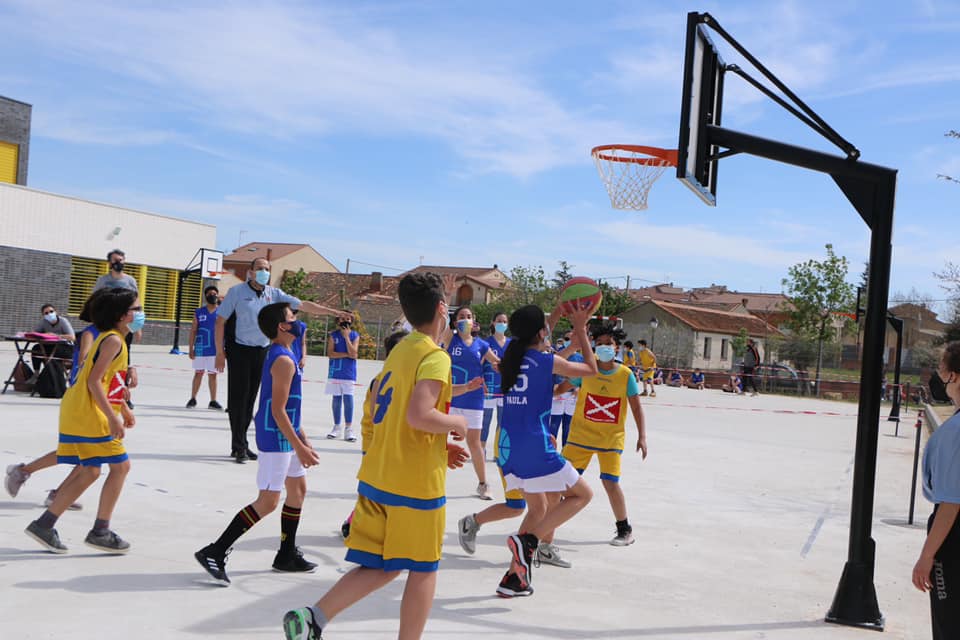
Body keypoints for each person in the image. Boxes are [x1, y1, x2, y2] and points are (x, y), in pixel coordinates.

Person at [282, 272, 469, 640]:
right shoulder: (434, 357)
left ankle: (313, 619)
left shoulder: (401, 349)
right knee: (424, 569)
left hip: (378, 475)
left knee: (381, 565)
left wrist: (439, 444)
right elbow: (419, 414)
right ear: (443, 309)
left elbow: (398, 415)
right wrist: (456, 422)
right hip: (414, 485)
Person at [196, 303, 322, 584]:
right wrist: (298, 446)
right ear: (282, 326)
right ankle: (215, 550)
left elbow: (291, 407)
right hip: (275, 437)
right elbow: (277, 410)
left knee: (298, 491)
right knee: (267, 501)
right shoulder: (283, 360)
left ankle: (286, 554)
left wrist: (304, 439)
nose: (298, 320)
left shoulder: (287, 354)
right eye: (293, 317)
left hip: (286, 435)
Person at [23, 288, 142, 554]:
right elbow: (93, 381)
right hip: (89, 413)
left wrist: (122, 407)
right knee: (120, 468)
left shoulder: (114, 339)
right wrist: (113, 418)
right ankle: (101, 530)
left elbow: (105, 380)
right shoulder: (113, 341)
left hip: (78, 409)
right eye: (136, 309)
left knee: (90, 470)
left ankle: (45, 524)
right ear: (122, 315)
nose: (140, 314)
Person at [494, 303, 598, 598]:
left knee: (538, 508)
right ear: (542, 332)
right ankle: (530, 542)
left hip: (509, 449)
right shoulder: (545, 361)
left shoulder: (510, 358)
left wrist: (568, 336)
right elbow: (589, 369)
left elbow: (546, 360)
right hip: (534, 445)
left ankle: (515, 577)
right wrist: (579, 328)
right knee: (582, 495)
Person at [214, 257, 330, 464]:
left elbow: (302, 305)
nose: (263, 272)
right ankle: (238, 445)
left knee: (251, 398)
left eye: (266, 269)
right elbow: (221, 321)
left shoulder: (274, 294)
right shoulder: (236, 293)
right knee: (238, 398)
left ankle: (243, 444)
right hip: (239, 349)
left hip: (261, 350)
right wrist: (219, 353)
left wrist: (333, 312)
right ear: (250, 272)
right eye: (259, 269)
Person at [562, 322, 647, 546]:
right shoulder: (585, 371)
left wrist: (642, 436)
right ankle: (544, 526)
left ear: (616, 347)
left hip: (610, 439)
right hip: (580, 437)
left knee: (610, 483)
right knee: (560, 481)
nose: (603, 347)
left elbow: (637, 407)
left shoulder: (625, 375)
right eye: (598, 344)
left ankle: (624, 529)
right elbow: (563, 387)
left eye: (608, 344)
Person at [912, 341, 960, 638]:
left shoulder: (956, 432)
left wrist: (927, 555)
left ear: (954, 376)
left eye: (942, 369)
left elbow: (952, 503)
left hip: (953, 538)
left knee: (949, 624)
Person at [438, 302, 500, 501]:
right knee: (437, 441)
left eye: (469, 316)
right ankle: (432, 481)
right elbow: (443, 321)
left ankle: (483, 484)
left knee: (474, 444)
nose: (466, 319)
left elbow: (496, 363)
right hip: (450, 396)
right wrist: (445, 303)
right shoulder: (450, 339)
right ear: (456, 321)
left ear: (474, 322)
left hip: (474, 399)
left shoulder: (482, 345)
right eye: (462, 316)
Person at [187, 286, 222, 409]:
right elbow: (193, 331)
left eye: (214, 293)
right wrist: (191, 348)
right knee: (198, 373)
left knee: (213, 375)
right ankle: (193, 398)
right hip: (201, 347)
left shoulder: (221, 312)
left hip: (215, 348)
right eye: (210, 293)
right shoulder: (199, 312)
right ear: (206, 296)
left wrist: (223, 350)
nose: (212, 295)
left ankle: (213, 400)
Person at [326, 312, 360, 442]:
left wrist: (346, 338)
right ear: (338, 320)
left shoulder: (354, 335)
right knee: (336, 400)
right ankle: (336, 426)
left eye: (348, 319)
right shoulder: (333, 335)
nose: (345, 321)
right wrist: (347, 354)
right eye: (342, 319)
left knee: (348, 399)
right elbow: (330, 353)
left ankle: (349, 428)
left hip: (348, 372)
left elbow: (354, 354)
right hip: (335, 371)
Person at [481, 312, 510, 460]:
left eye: (504, 321)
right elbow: (478, 365)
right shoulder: (486, 343)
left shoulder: (512, 343)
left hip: (505, 388)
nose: (502, 323)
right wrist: (482, 382)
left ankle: (498, 452)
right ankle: (482, 449)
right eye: (499, 321)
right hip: (489, 386)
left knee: (503, 420)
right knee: (485, 420)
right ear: (493, 323)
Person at [31, 303, 75, 370]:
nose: (49, 314)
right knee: (36, 349)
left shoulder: (63, 321)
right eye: (46, 313)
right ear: (43, 315)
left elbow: (72, 337)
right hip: (49, 345)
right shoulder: (43, 322)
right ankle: (36, 373)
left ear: (56, 312)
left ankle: (52, 373)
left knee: (52, 353)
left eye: (51, 311)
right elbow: (35, 332)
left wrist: (56, 336)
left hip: (65, 347)